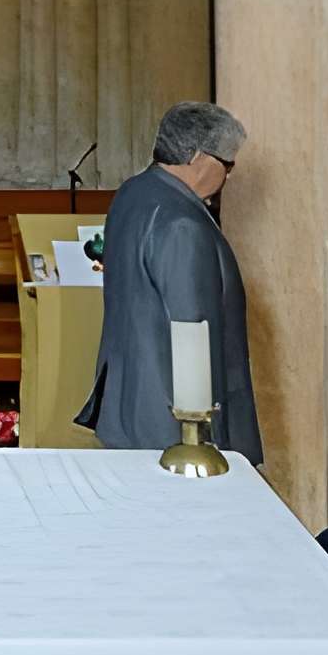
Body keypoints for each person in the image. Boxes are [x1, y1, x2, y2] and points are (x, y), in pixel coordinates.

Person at [75, 100, 262, 463]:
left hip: (129, 403)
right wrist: (210, 436)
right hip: (172, 425)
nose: (230, 176)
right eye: (227, 164)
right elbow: (193, 329)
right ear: (198, 158)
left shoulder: (133, 192)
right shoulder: (182, 224)